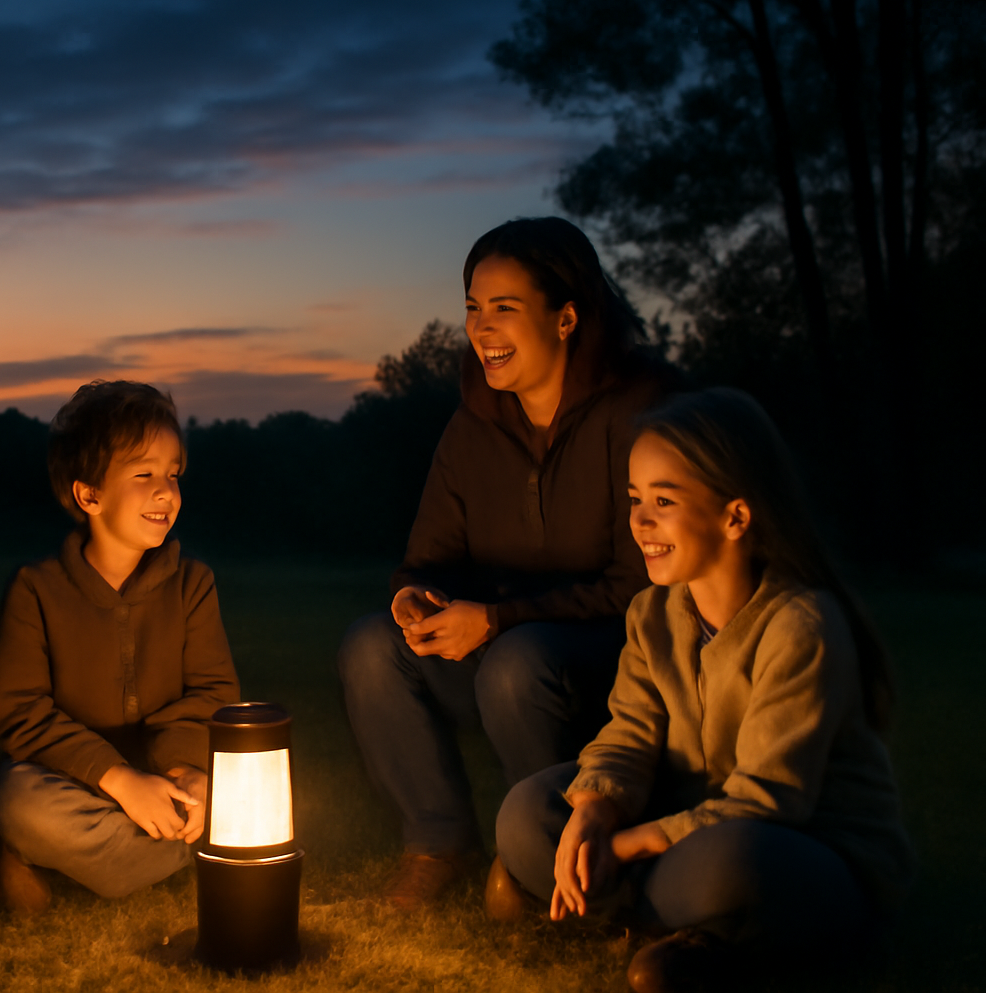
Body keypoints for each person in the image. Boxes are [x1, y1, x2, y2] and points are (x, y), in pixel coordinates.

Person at [492, 389, 914, 993]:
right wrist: (593, 813)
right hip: (683, 825)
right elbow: (629, 733)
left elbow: (769, 801)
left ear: (736, 518)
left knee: (732, 864)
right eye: (635, 499)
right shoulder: (652, 612)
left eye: (663, 501)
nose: (639, 521)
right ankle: (679, 929)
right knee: (528, 810)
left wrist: (630, 842)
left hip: (800, 847)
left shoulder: (801, 624)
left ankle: (617, 905)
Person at [337, 217, 676, 909]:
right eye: (472, 309)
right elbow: (425, 560)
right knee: (373, 647)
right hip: (500, 646)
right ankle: (438, 845)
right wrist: (415, 600)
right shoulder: (474, 427)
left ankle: (551, 847)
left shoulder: (640, 411)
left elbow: (643, 584)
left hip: (613, 660)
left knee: (518, 662)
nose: (481, 328)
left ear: (566, 318)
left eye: (504, 308)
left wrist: (498, 619)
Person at [0, 380, 240, 913]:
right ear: (89, 494)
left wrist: (187, 768)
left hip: (167, 782)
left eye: (173, 473)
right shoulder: (37, 589)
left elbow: (213, 691)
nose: (166, 491)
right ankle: (48, 849)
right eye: (144, 474)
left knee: (245, 795)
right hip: (78, 783)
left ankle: (90, 858)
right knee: (15, 798)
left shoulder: (192, 584)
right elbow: (18, 712)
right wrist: (116, 778)